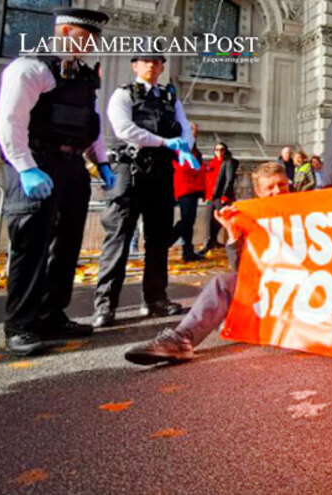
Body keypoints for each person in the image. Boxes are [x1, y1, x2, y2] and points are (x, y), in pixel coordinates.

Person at [0, 7, 113, 356]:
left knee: (67, 245)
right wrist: (25, 167)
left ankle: (51, 314)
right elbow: (10, 121)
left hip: (73, 165)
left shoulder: (84, 77)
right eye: (85, 37)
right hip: (36, 162)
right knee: (31, 246)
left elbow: (91, 125)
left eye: (94, 38)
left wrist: (101, 163)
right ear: (63, 33)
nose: (92, 44)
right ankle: (20, 325)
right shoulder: (30, 68)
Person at [123, 162, 289, 365]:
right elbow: (240, 272)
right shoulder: (250, 219)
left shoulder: (309, 212)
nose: (277, 191)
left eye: (282, 185)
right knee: (223, 282)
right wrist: (232, 233)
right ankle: (181, 340)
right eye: (270, 188)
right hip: (267, 289)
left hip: (303, 287)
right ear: (258, 192)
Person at [91, 53, 198, 329]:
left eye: (157, 61)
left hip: (161, 173)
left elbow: (184, 127)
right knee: (119, 237)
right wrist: (165, 142)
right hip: (130, 172)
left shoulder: (169, 97)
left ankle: (155, 299)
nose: (152, 65)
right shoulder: (123, 94)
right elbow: (125, 129)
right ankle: (105, 305)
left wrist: (184, 145)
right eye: (145, 60)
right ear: (135, 65)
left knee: (158, 239)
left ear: (162, 67)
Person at [172, 123, 205, 262]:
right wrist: (199, 169)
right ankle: (169, 239)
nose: (195, 133)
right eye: (192, 130)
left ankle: (188, 251)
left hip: (193, 189)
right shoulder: (180, 147)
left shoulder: (195, 149)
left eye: (196, 131)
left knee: (189, 221)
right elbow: (184, 167)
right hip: (185, 188)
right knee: (186, 220)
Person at [197, 142, 237, 255]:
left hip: (220, 196)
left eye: (222, 149)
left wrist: (225, 195)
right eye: (217, 150)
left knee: (219, 219)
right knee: (209, 220)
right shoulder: (212, 164)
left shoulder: (228, 162)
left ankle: (211, 242)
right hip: (211, 196)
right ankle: (210, 242)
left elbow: (229, 180)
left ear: (226, 151)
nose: (219, 152)